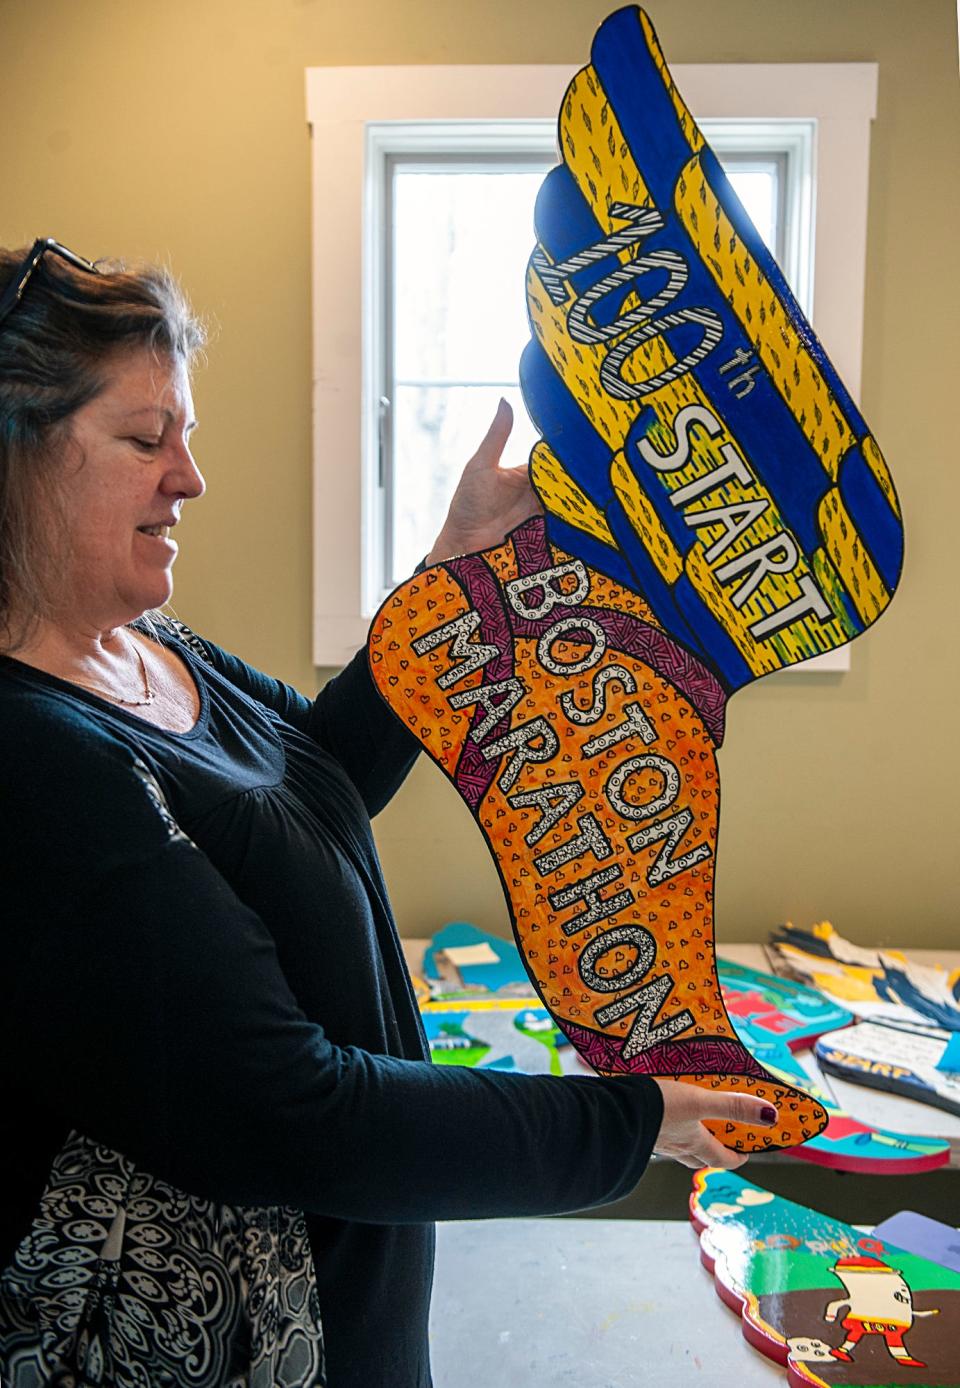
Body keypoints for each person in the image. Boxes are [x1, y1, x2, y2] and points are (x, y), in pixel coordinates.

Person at [0, 239, 778, 1388]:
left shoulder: (146, 649)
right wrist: (626, 1121)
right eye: (143, 438)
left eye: (188, 435)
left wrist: (455, 571)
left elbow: (314, 778)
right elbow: (297, 1110)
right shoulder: (35, 758)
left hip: (349, 1315)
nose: (190, 477)